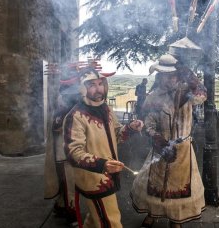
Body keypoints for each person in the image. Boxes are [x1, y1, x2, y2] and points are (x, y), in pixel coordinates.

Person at [130, 54, 206, 228]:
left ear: (178, 76)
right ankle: (152, 213)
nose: (167, 79)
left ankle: (175, 219)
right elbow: (148, 122)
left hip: (183, 150)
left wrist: (193, 81)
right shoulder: (154, 96)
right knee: (155, 184)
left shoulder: (188, 93)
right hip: (161, 148)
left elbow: (201, 96)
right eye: (163, 75)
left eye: (171, 75)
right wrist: (156, 138)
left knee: (179, 187)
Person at [63, 66, 144, 228]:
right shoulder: (76, 116)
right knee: (110, 221)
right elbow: (73, 152)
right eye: (92, 85)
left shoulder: (106, 108)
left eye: (100, 84)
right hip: (94, 179)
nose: (98, 89)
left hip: (107, 174)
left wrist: (130, 128)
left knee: (95, 219)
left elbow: (116, 135)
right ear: (82, 88)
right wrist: (103, 164)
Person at [44, 64, 80, 225]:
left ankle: (61, 206)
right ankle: (71, 213)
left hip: (72, 150)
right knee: (68, 183)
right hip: (63, 152)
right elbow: (57, 126)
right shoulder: (62, 104)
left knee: (68, 183)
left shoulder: (73, 100)